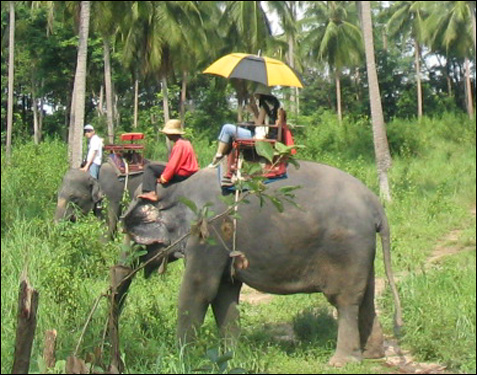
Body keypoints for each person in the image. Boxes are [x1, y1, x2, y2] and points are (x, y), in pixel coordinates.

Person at [208, 85, 280, 167]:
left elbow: (259, 123)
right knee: (236, 128)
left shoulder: (265, 106)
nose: (256, 97)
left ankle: (219, 155)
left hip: (260, 136)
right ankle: (222, 154)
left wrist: (251, 112)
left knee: (226, 128)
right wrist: (254, 108)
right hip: (265, 133)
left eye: (257, 95)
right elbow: (262, 121)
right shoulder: (271, 105)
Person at [138, 119, 199, 202]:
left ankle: (150, 192)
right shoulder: (186, 142)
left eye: (167, 134)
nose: (166, 135)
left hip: (182, 173)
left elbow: (173, 165)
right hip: (190, 172)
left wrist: (164, 178)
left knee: (149, 167)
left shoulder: (179, 145)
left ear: (172, 134)